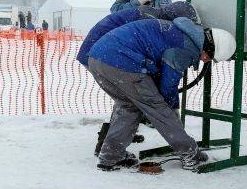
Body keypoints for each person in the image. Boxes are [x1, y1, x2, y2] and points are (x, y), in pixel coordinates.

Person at [87, 16, 236, 171]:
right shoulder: (187, 49)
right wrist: (171, 109)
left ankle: (111, 156)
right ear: (210, 47)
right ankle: (190, 154)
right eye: (210, 58)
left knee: (129, 106)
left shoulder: (183, 32)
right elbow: (167, 86)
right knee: (159, 109)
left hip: (98, 58)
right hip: (122, 61)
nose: (206, 61)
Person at [77, 2, 201, 156]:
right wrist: (168, 106)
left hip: (101, 52)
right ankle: (108, 145)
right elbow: (134, 44)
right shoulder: (148, 17)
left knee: (129, 101)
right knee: (134, 98)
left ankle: (112, 148)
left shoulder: (153, 15)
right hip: (107, 53)